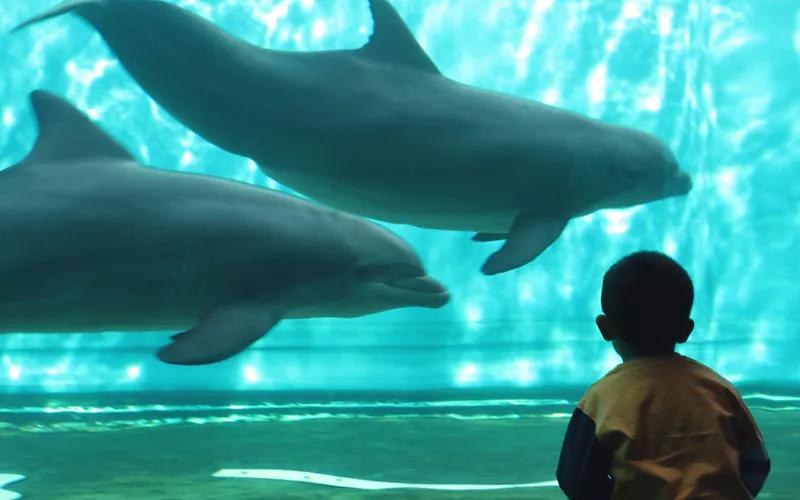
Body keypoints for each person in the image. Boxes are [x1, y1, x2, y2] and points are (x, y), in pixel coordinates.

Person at [556, 250, 771, 499]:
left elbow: (574, 478)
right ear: (686, 330)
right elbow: (756, 463)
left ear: (605, 327)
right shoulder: (717, 388)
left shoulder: (600, 398)